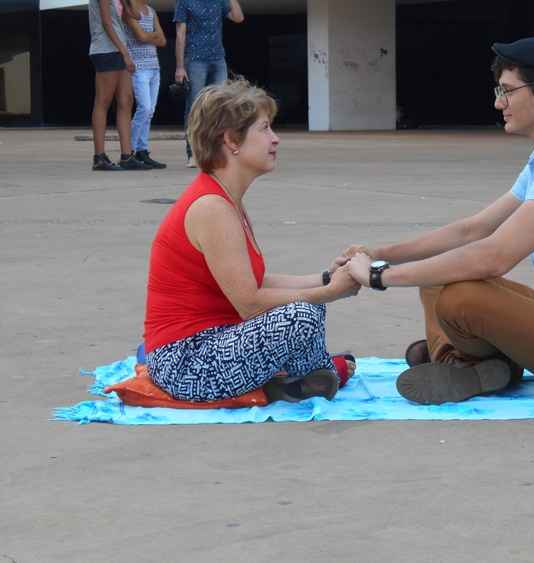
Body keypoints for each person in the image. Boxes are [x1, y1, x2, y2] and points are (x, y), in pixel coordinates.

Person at [339, 36, 534, 405]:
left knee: (459, 294)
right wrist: (377, 253)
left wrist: (379, 277)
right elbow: (472, 230)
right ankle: (482, 368)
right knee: (435, 276)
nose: (498, 103)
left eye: (507, 91)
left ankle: (468, 361)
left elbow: (494, 256)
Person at [144, 80, 359, 403]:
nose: (275, 139)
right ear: (231, 139)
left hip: (212, 341)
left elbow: (255, 280)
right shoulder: (212, 208)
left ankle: (300, 379)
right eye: (265, 129)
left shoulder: (226, 199)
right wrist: (331, 291)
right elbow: (249, 302)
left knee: (306, 306)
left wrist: (327, 276)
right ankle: (312, 374)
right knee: (301, 313)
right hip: (186, 364)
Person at [174, 0, 244, 168]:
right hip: (195, 60)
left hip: (218, 59)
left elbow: (238, 18)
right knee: (195, 107)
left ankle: (218, 151)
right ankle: (193, 153)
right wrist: (179, 66)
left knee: (221, 106)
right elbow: (180, 34)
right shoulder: (184, 2)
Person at [88, 0, 149, 171]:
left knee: (126, 100)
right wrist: (124, 53)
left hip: (119, 49)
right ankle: (99, 157)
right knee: (103, 101)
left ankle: (126, 155)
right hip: (106, 49)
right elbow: (107, 23)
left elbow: (137, 15)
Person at [123, 0, 167, 169]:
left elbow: (162, 40)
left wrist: (149, 36)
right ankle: (131, 149)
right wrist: (152, 36)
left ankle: (142, 150)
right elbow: (140, 36)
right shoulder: (129, 11)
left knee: (150, 111)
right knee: (145, 108)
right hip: (138, 67)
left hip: (154, 67)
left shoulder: (151, 11)